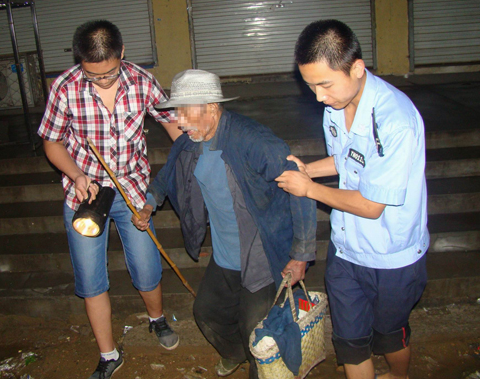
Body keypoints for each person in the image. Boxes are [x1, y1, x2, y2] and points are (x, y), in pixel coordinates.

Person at [131, 69, 317, 379]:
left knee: (256, 333)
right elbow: (165, 176)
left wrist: (301, 253)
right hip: (225, 254)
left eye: (184, 110)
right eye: (176, 112)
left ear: (212, 107)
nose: (178, 120)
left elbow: (303, 190)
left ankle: (259, 369)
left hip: (261, 254)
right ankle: (234, 353)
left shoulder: (252, 140)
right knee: (206, 313)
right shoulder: (190, 141)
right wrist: (149, 203)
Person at [276, 20, 429, 379]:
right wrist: (309, 169)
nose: (318, 97)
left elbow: (370, 206)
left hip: (393, 256)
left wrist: (309, 188)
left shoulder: (395, 121)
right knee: (350, 340)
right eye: (311, 86)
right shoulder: (335, 106)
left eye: (324, 84)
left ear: (357, 68)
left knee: (390, 336)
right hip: (346, 251)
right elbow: (348, 160)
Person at [37, 20, 182, 379]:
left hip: (132, 189)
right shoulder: (64, 87)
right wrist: (76, 174)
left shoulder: (142, 81)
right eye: (92, 75)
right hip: (85, 193)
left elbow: (173, 126)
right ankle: (108, 354)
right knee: (91, 279)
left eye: (110, 73)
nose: (102, 81)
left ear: (122, 55)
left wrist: (194, 156)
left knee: (147, 268)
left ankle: (157, 319)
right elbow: (52, 142)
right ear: (79, 62)